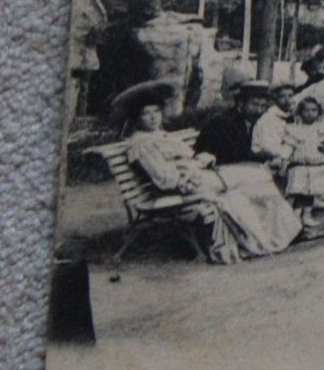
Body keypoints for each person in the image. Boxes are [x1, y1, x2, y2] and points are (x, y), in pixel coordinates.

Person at [123, 84, 304, 261]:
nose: (153, 118)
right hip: (187, 185)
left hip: (201, 174)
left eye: (156, 112)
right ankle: (274, 235)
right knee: (254, 180)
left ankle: (281, 232)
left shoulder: (160, 135)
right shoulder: (142, 143)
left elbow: (190, 156)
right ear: (136, 118)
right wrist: (190, 169)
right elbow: (164, 179)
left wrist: (201, 159)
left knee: (258, 181)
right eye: (146, 114)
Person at [279, 96, 324, 237]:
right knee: (298, 192)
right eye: (306, 110)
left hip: (315, 164)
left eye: (314, 110)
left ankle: (307, 215)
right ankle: (295, 217)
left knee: (311, 191)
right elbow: (288, 146)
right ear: (300, 112)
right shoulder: (294, 130)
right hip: (300, 165)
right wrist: (284, 160)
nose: (310, 113)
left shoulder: (321, 128)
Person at [194, 80, 275, 166]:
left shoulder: (259, 124)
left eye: (263, 106)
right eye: (254, 104)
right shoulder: (221, 123)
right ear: (241, 103)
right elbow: (204, 154)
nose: (259, 110)